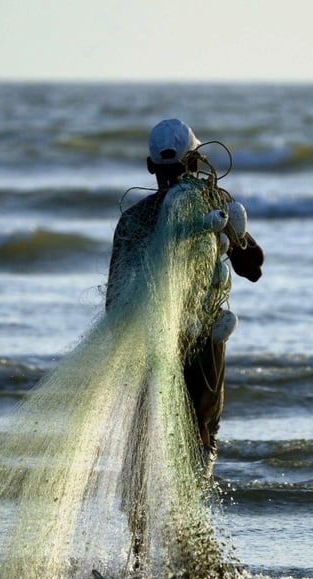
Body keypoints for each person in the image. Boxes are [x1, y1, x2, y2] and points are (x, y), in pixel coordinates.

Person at [106, 119, 263, 479]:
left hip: (148, 349)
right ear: (195, 162)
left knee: (141, 443)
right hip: (203, 347)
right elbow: (252, 268)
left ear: (150, 167)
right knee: (202, 436)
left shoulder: (132, 220)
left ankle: (138, 534)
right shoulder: (214, 205)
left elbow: (114, 303)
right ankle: (189, 525)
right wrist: (228, 226)